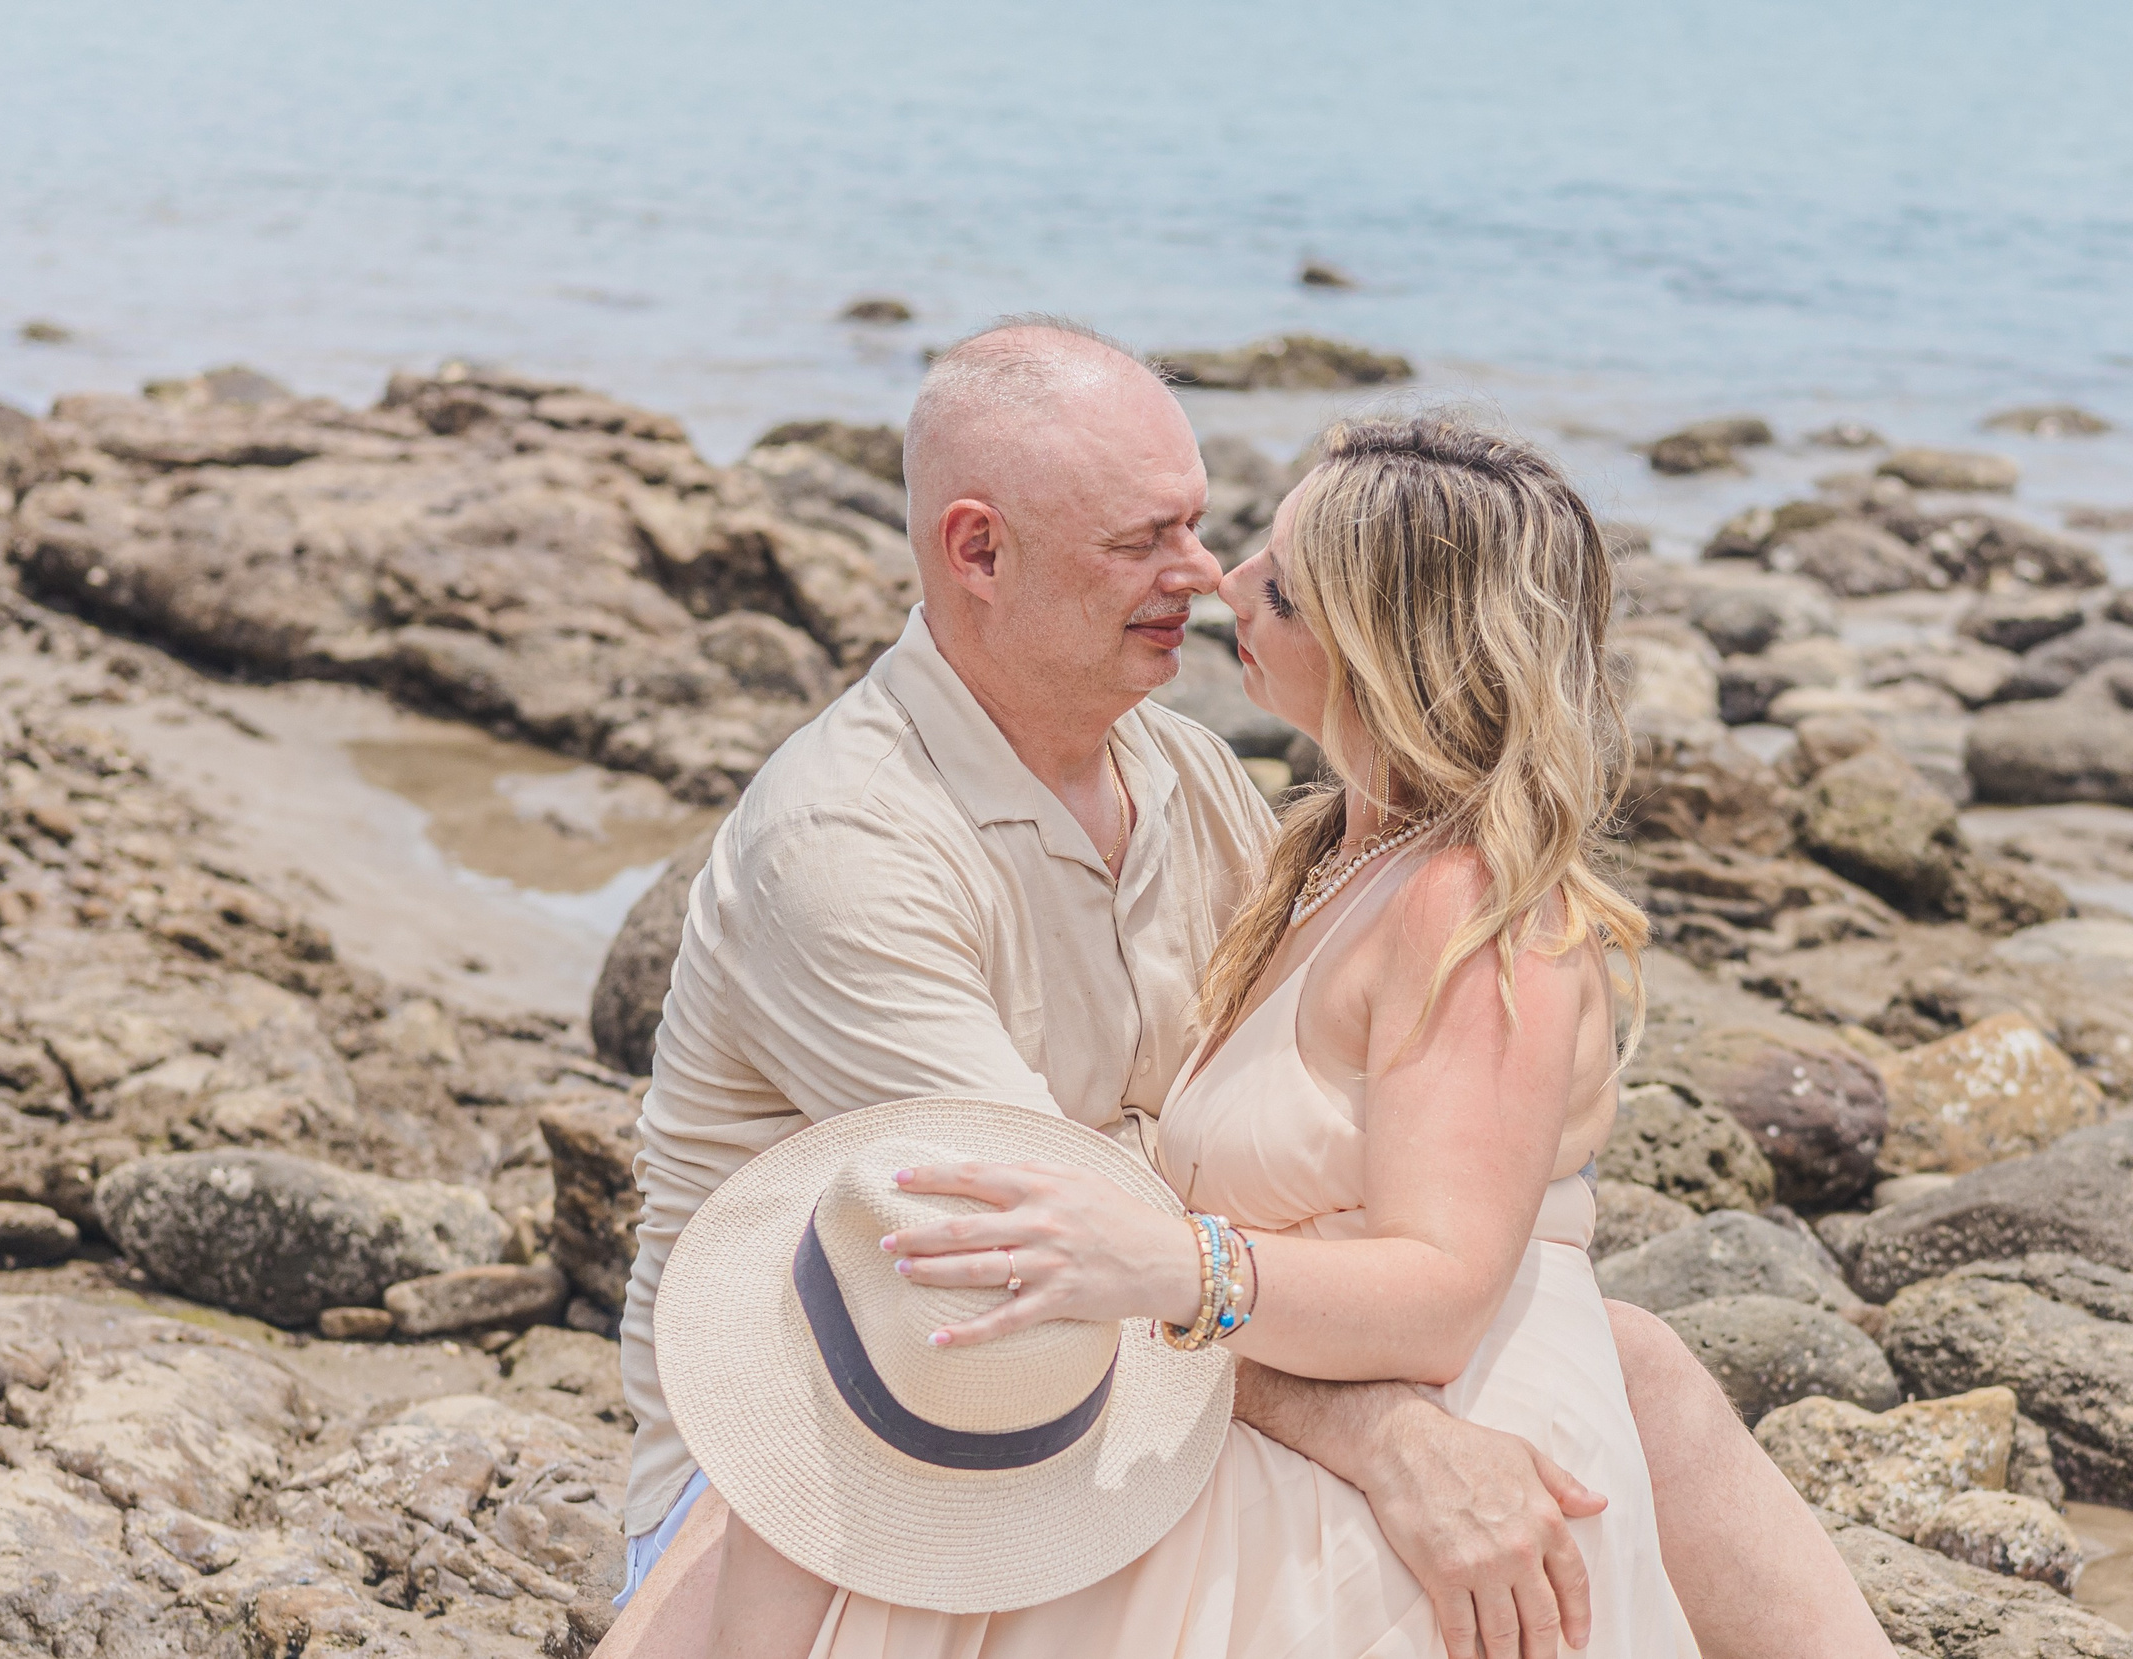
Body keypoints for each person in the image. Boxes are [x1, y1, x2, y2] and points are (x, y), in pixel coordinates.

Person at [601, 320, 1889, 1659]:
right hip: (864, 1412)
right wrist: (1382, 1430)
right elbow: (1042, 1252)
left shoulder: (1202, 786)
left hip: (1128, 1346)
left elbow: (1274, 1184)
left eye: (1212, 533)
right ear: (979, 551)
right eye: (1142, 542)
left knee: (1640, 1374)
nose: (1207, 578)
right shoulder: (848, 848)